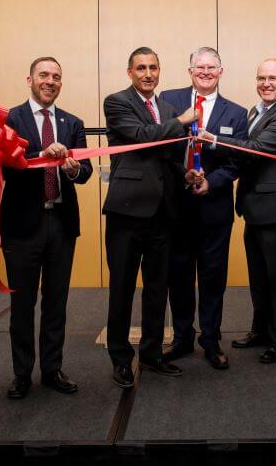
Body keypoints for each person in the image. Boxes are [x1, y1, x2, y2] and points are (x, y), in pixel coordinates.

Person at [103, 47, 199, 388]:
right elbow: (143, 138)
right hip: (127, 212)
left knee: (158, 289)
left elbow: (171, 157)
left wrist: (185, 174)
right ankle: (120, 358)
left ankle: (152, 353)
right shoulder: (116, 102)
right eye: (141, 68)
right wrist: (181, 122)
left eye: (153, 68)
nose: (148, 73)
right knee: (122, 289)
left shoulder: (168, 108)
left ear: (159, 71)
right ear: (129, 71)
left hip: (163, 212)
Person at [198, 58, 276, 364]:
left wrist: (214, 139)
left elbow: (254, 148)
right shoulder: (257, 110)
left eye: (273, 78)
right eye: (262, 78)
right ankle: (261, 331)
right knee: (259, 276)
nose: (266, 83)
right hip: (256, 208)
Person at [0, 57, 93, 399]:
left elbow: (84, 174)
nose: (50, 81)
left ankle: (52, 369)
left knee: (57, 302)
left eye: (56, 76)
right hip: (23, 224)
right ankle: (22, 374)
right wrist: (41, 153)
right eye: (44, 75)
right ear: (30, 79)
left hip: (62, 224)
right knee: (22, 304)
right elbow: (5, 168)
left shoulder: (73, 123)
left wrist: (70, 169)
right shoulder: (11, 119)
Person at [160, 47, 248, 370]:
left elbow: (237, 161)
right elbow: (162, 149)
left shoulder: (237, 113)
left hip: (214, 207)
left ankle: (211, 340)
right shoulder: (168, 101)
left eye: (212, 67)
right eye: (200, 67)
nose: (206, 72)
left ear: (221, 72)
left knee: (213, 276)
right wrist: (183, 173)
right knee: (178, 275)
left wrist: (212, 181)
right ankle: (182, 338)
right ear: (190, 71)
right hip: (176, 205)